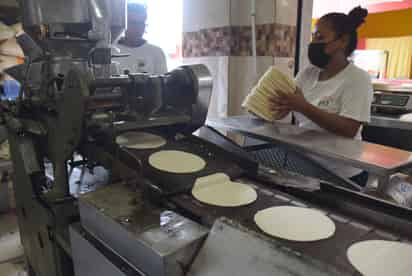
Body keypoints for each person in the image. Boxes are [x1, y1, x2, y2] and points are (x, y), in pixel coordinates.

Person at [270, 7, 372, 186]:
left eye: (320, 38)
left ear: (343, 41)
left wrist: (303, 107)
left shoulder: (357, 79)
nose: (313, 44)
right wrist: (279, 107)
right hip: (307, 165)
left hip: (342, 174)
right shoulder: (308, 73)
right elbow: (290, 106)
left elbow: (349, 128)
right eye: (313, 37)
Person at [115, 2, 167, 75]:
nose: (137, 28)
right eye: (133, 23)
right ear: (124, 23)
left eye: (141, 23)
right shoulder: (112, 51)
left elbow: (162, 84)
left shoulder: (156, 52)